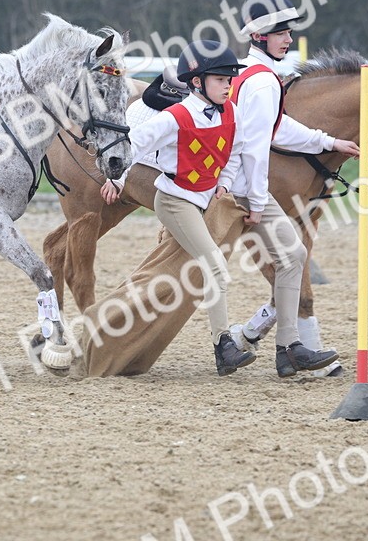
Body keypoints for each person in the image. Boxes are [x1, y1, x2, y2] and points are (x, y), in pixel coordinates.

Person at [101, 40, 255, 376]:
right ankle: (223, 346)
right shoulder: (175, 117)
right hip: (175, 201)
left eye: (230, 79)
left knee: (166, 276)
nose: (228, 85)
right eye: (221, 79)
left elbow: (236, 151)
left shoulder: (232, 111)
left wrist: (225, 182)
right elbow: (134, 145)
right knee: (215, 265)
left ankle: (113, 328)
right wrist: (117, 179)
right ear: (197, 82)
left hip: (203, 202)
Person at [228, 0, 361, 377]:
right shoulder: (263, 82)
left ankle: (288, 348)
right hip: (241, 189)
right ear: (259, 37)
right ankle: (264, 344)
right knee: (291, 256)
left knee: (294, 256)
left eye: (288, 33)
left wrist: (329, 142)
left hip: (241, 185)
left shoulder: (255, 74)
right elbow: (256, 148)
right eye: (281, 33)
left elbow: (277, 126)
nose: (288, 39)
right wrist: (256, 201)